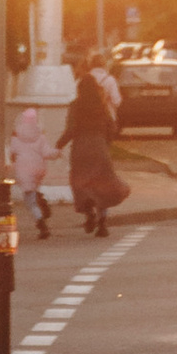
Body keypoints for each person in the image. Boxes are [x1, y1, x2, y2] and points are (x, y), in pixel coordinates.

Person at [64, 68, 128, 237]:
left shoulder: (75, 106)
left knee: (81, 182)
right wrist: (106, 142)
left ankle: (89, 212)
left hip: (81, 149)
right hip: (99, 148)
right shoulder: (102, 106)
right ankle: (102, 223)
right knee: (103, 184)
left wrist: (59, 144)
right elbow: (112, 127)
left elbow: (71, 129)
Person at [12, 101, 54, 237]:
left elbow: (12, 152)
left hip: (23, 170)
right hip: (39, 168)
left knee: (29, 201)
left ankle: (41, 224)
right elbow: (47, 153)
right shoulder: (40, 136)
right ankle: (40, 200)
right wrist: (57, 153)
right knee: (34, 190)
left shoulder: (16, 136)